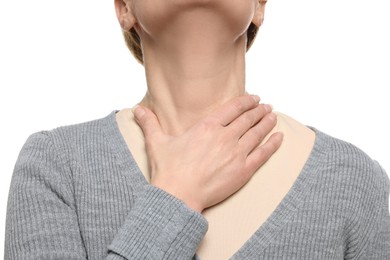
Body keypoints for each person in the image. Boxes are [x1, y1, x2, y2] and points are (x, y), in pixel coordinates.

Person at [4, 0, 389, 259]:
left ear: (259, 5)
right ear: (123, 7)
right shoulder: (56, 166)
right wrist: (176, 196)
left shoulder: (356, 180)